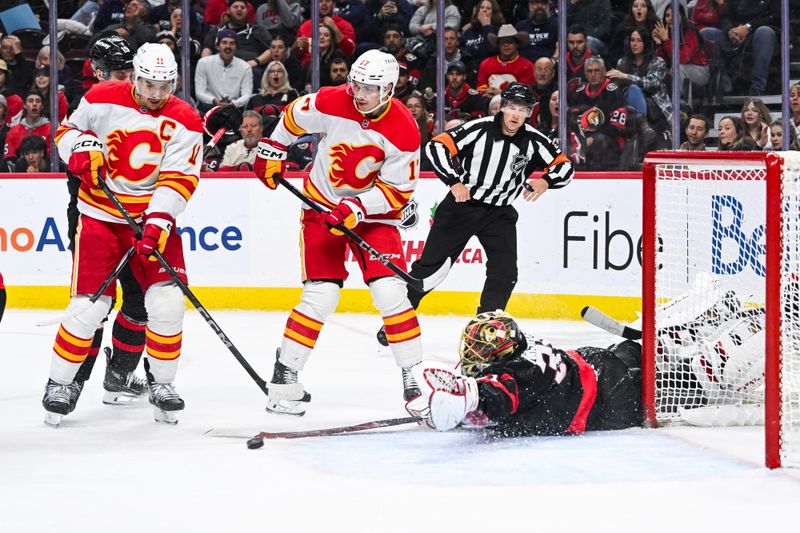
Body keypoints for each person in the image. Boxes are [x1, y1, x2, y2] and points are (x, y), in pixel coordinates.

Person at [253, 49, 426, 417]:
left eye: (371, 88)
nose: (360, 94)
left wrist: (358, 208)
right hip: (321, 208)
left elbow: (398, 191)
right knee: (320, 295)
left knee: (390, 291)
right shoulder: (334, 100)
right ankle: (285, 377)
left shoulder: (405, 129)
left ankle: (413, 376)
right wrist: (272, 148)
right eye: (357, 85)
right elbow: (294, 116)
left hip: (375, 216)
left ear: (390, 90)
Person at [42, 43, 203, 427]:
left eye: (165, 86)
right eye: (149, 84)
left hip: (150, 221)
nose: (156, 94)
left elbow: (180, 176)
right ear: (136, 76)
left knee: (166, 304)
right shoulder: (100, 97)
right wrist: (79, 147)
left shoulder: (186, 119)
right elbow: (67, 131)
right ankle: (59, 383)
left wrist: (160, 218)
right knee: (89, 307)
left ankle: (162, 384)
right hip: (98, 217)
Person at [376, 83, 573, 345]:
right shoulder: (479, 129)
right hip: (462, 208)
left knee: (504, 273)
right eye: (512, 107)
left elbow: (565, 166)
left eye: (522, 110)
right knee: (430, 268)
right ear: (502, 107)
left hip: (500, 214)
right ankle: (397, 320)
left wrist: (546, 181)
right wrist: (454, 181)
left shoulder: (535, 141)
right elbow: (436, 146)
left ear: (529, 113)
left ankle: (485, 332)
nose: (516, 115)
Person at [64, 35, 151, 411]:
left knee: (139, 302)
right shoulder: (87, 107)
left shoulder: (140, 105)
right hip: (93, 218)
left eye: (131, 71)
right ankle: (71, 383)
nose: (128, 79)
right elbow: (68, 147)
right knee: (92, 305)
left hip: (135, 220)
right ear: (99, 73)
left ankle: (120, 375)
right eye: (120, 72)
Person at [412, 311, 643, 434]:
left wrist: (469, 399)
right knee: (631, 345)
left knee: (671, 385)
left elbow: (501, 393)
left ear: (501, 348)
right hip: (595, 362)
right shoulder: (522, 345)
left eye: (481, 348)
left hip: (612, 400)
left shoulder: (523, 373)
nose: (474, 354)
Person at [194, 28, 253, 113]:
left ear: (236, 47)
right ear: (217, 46)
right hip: (209, 107)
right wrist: (213, 100)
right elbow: (199, 92)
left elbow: (247, 95)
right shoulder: (203, 63)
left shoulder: (245, 67)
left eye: (232, 43)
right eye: (224, 42)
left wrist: (234, 104)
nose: (228, 47)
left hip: (234, 109)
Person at [478, 25, 534, 98]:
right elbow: (480, 89)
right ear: (498, 45)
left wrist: (501, 93)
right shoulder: (486, 64)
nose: (506, 45)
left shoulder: (527, 65)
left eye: (510, 42)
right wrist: (485, 92)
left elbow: (525, 93)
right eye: (502, 42)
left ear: (517, 44)